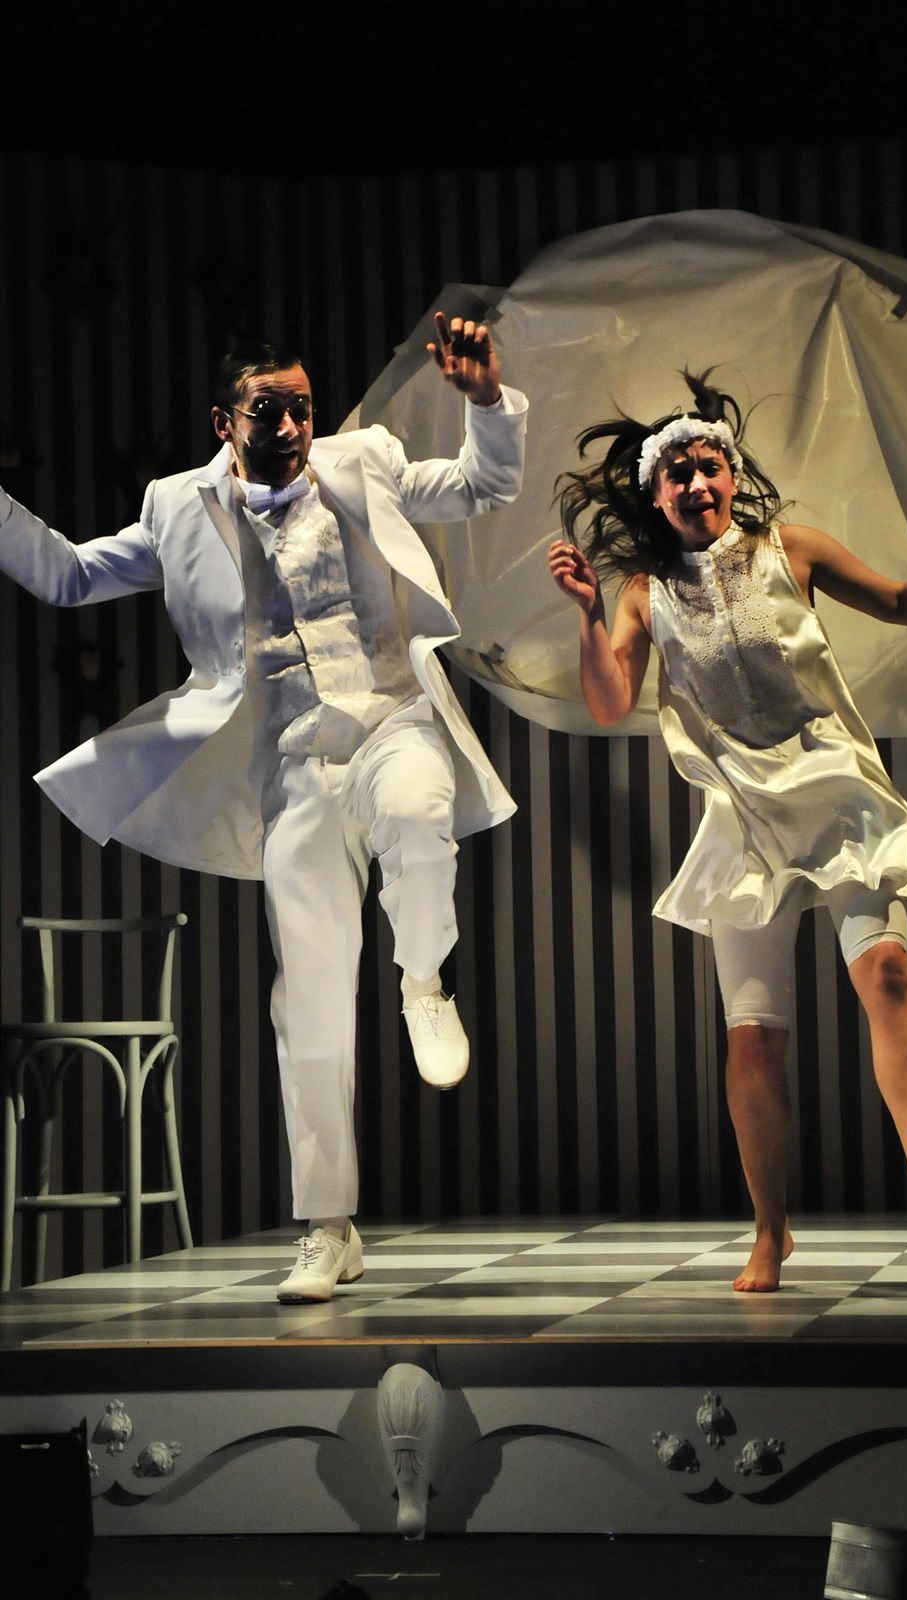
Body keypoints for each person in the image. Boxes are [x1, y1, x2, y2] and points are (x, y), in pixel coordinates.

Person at [0, 314, 527, 1301]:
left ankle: (423, 980)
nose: (289, 426)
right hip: (290, 764)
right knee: (309, 996)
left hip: (392, 719)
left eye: (302, 407)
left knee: (419, 820)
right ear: (225, 420)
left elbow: (483, 485)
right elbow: (69, 576)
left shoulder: (365, 462)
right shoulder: (176, 507)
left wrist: (488, 402)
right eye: (267, 409)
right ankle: (329, 1226)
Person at [548, 369, 907, 1292]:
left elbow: (897, 600)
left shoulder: (789, 548)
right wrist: (585, 615)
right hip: (743, 818)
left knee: (886, 971)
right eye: (678, 475)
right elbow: (609, 701)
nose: (697, 483)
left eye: (710, 467)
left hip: (839, 792)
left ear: (732, 477)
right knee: (752, 1038)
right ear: (656, 496)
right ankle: (770, 1231)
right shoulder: (645, 593)